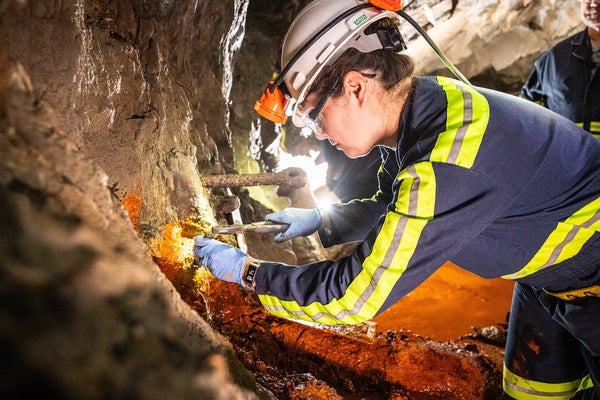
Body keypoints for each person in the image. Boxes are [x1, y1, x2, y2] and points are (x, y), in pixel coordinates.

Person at [195, 0, 600, 397]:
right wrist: (320, 220)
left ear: (355, 86)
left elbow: (353, 296)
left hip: (594, 281)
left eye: (314, 116)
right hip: (548, 282)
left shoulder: (446, 161)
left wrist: (249, 273)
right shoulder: (427, 108)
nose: (317, 133)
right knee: (533, 392)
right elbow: (390, 204)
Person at [520, 0, 600, 137]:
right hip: (568, 155)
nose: (593, 4)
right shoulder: (556, 57)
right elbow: (527, 102)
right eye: (587, 0)